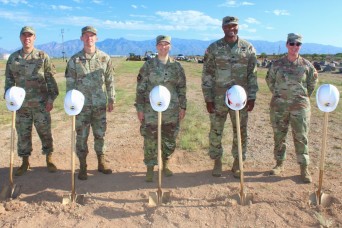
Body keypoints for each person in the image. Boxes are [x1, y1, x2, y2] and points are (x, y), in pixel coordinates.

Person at [202, 16, 258, 178]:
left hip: (241, 99)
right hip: (219, 96)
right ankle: (217, 161)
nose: (231, 29)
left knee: (240, 130)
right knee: (216, 130)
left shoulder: (248, 48)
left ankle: (237, 161)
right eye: (228, 26)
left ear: (238, 27)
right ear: (223, 28)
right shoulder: (214, 48)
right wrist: (208, 98)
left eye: (234, 26)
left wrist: (252, 96)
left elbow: (252, 74)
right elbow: (207, 74)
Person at [4, 26, 59, 176]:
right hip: (21, 106)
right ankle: (25, 161)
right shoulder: (14, 58)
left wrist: (51, 99)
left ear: (35, 38)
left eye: (30, 35)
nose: (27, 38)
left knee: (45, 132)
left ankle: (49, 158)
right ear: (20, 38)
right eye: (24, 35)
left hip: (41, 104)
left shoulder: (42, 56)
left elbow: (51, 80)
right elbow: (9, 81)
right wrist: (9, 100)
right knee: (23, 134)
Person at [265, 33, 318, 183]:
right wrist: (280, 96)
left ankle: (304, 168)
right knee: (279, 136)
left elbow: (311, 85)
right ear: (287, 44)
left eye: (298, 44)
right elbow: (270, 81)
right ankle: (279, 164)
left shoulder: (307, 66)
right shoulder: (277, 65)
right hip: (279, 107)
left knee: (301, 137)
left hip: (300, 107)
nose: (295, 46)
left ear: (300, 46)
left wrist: (299, 98)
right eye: (292, 43)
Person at [65, 26, 115, 180]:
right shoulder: (74, 60)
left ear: (96, 38)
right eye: (86, 36)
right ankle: (83, 166)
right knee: (81, 136)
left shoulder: (105, 58)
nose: (89, 38)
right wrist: (70, 104)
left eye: (92, 36)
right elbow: (70, 84)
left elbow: (110, 80)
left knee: (100, 135)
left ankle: (101, 162)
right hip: (81, 107)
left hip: (99, 105)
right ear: (81, 38)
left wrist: (111, 98)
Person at [135, 35, 187, 182]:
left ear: (170, 46)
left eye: (166, 44)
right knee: (150, 138)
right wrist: (140, 108)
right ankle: (150, 167)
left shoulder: (177, 67)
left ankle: (165, 164)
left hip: (171, 110)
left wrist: (183, 107)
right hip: (151, 109)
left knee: (169, 138)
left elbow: (182, 88)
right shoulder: (148, 66)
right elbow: (140, 89)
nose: (163, 47)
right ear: (156, 47)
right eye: (160, 44)